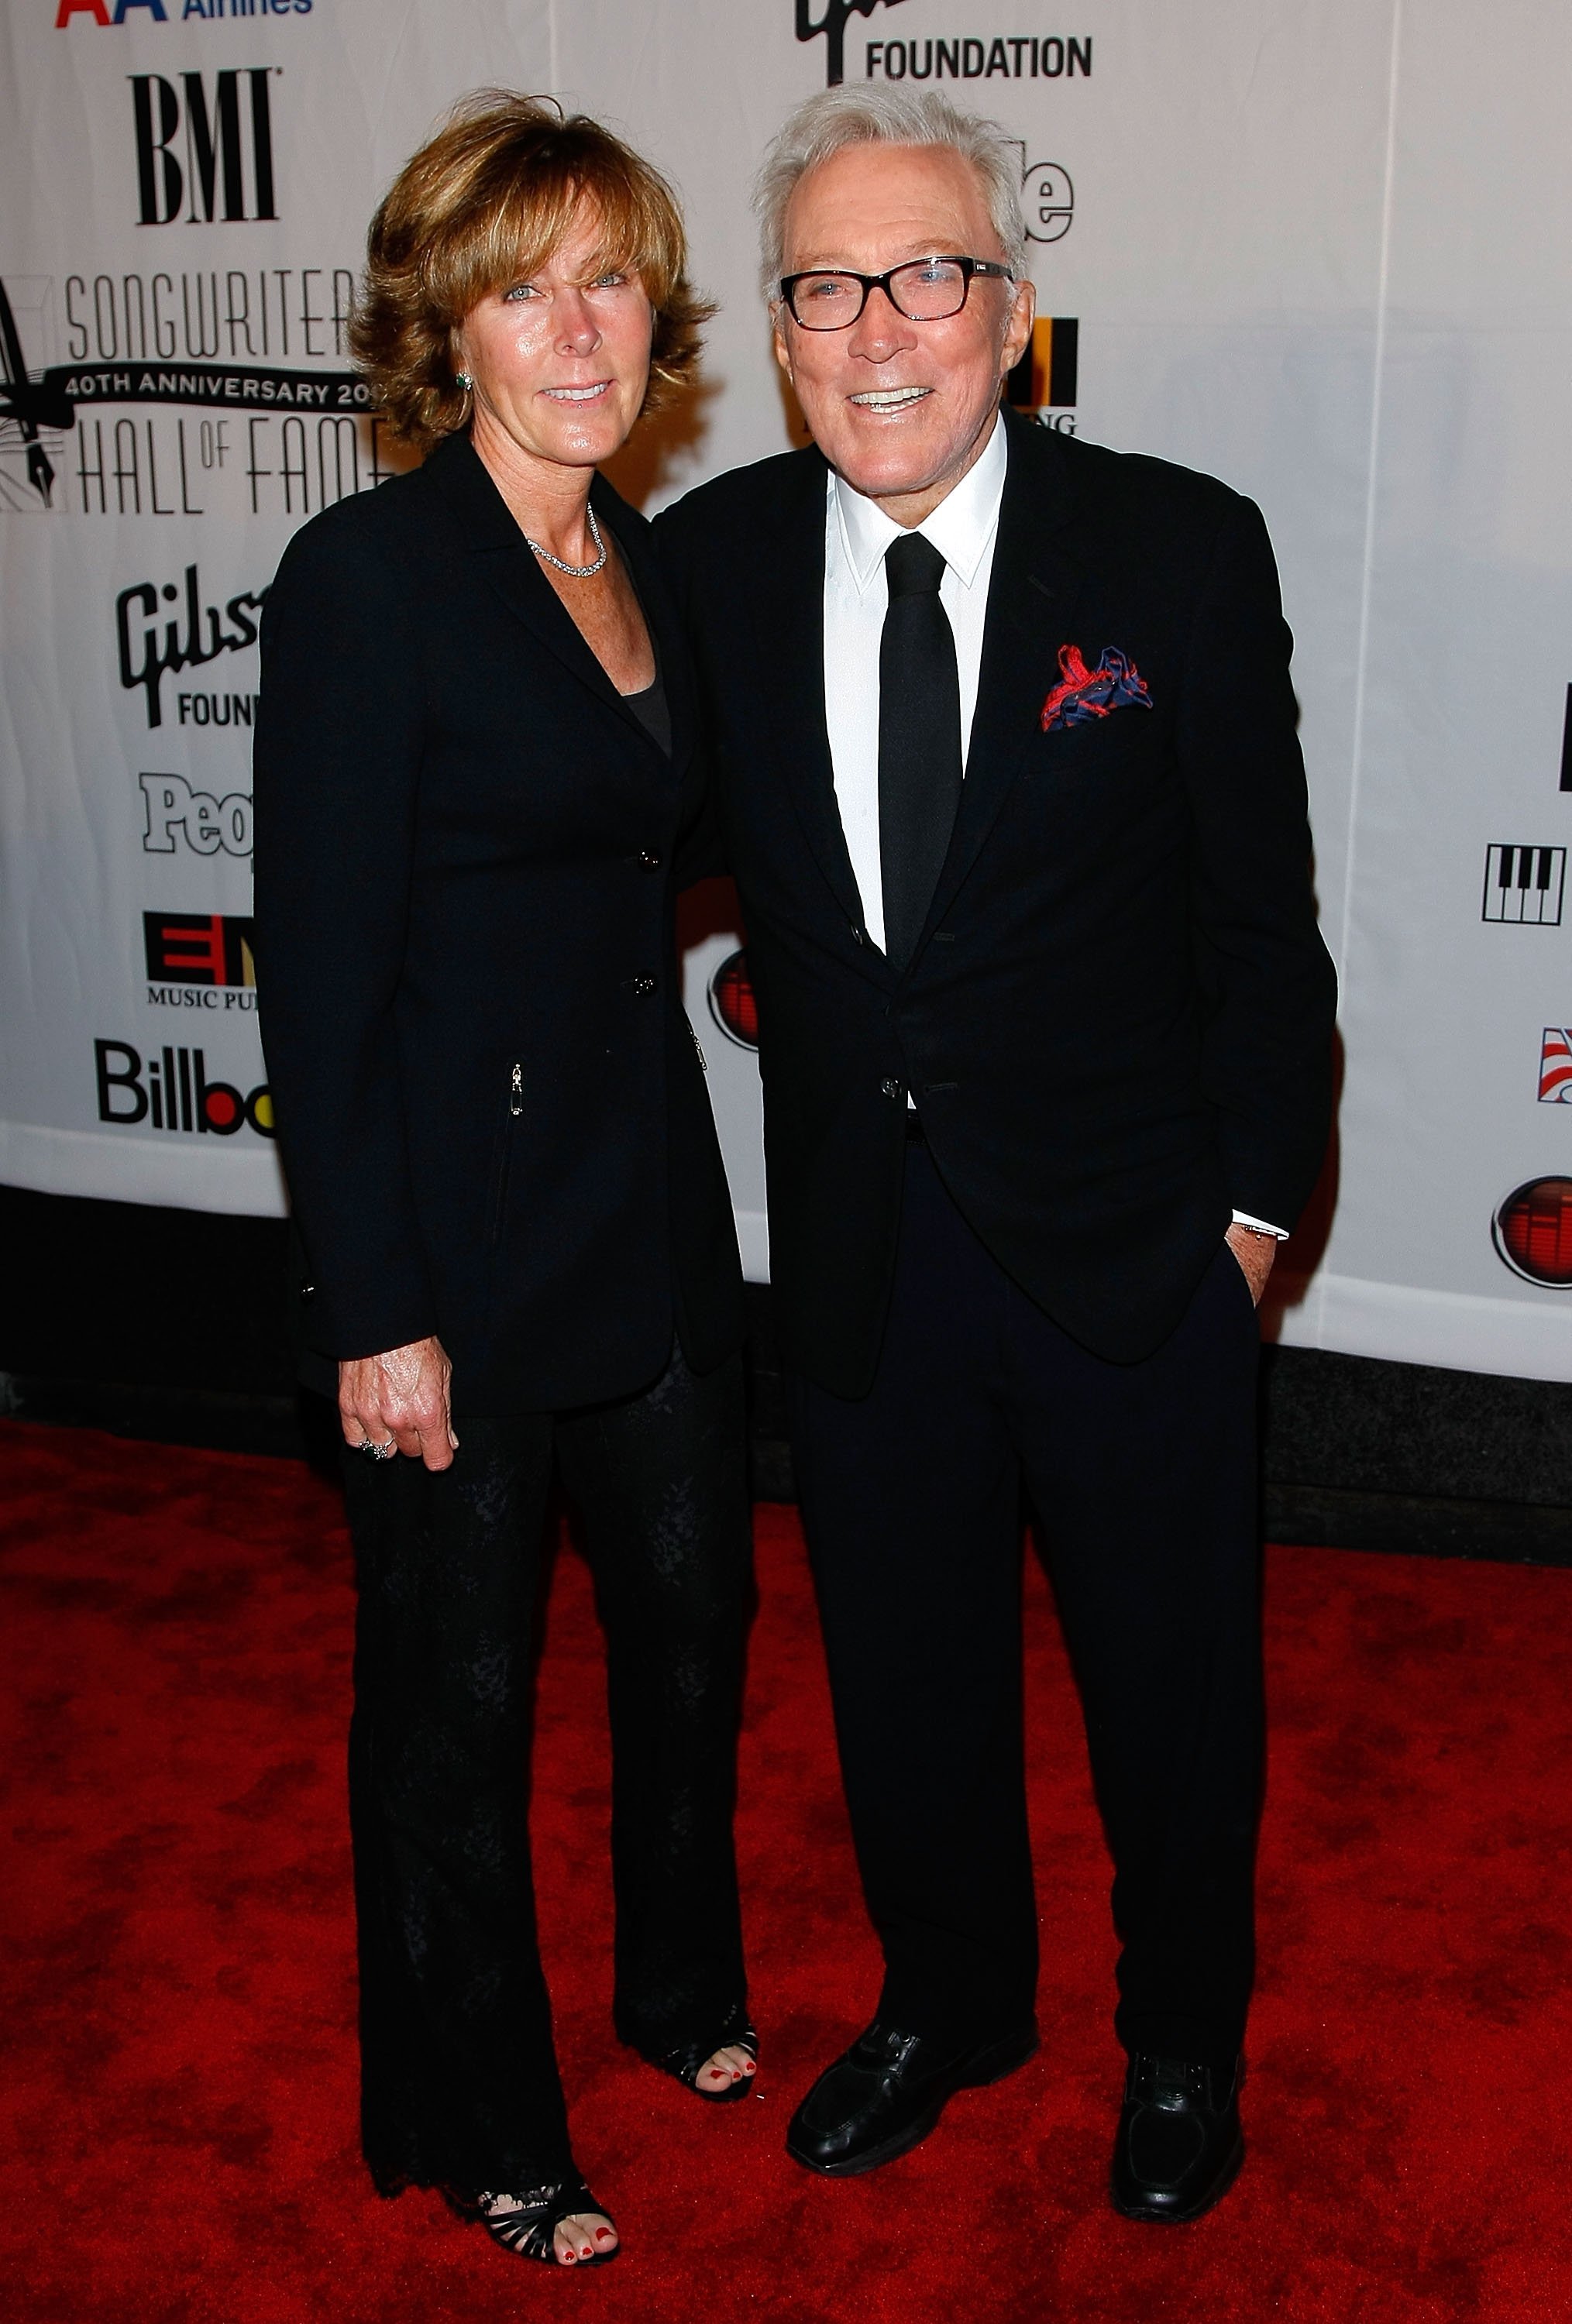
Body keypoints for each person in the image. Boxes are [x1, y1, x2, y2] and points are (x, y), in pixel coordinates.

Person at [656, 84, 1336, 2223]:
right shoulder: (712, 568)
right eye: (828, 288)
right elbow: (580, 853)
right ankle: (957, 2002)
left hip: (1137, 1255)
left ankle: (1179, 2041)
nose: (881, 331)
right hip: (869, 1257)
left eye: (927, 275)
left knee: (1170, 1691)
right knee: (905, 1683)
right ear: (778, 332)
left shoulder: (1177, 547)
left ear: (1014, 315)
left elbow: (1262, 930)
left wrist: (1247, 1224)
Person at [253, 93, 757, 2272]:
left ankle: (675, 1989)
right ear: (444, 329)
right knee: (454, 1701)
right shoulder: (371, 580)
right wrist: (376, 1301)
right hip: (453, 1242)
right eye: (523, 289)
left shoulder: (645, 558)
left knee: (692, 1626)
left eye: (611, 279)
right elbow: (323, 966)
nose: (577, 329)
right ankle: (483, 2117)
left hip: (651, 1211)